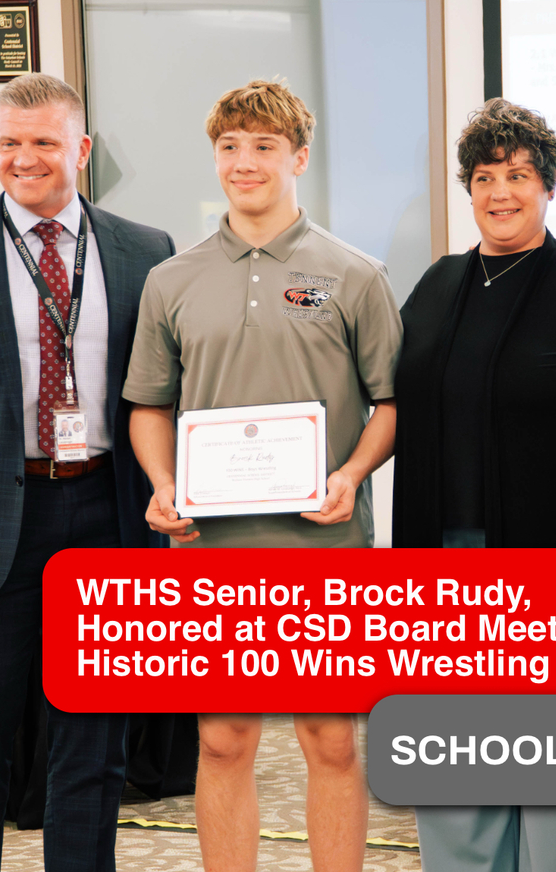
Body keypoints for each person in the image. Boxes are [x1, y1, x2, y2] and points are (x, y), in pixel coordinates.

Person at [122, 78, 402, 872]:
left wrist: (349, 473)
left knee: (330, 742)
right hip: (211, 547)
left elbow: (389, 403)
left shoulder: (355, 274)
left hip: (325, 543)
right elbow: (149, 405)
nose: (244, 163)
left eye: (263, 147)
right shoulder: (170, 280)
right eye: (230, 147)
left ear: (298, 158)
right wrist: (163, 484)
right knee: (221, 739)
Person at [393, 98, 556, 872]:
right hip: (444, 567)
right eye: (483, 176)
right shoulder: (435, 287)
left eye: (517, 175)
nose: (499, 192)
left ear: (549, 186)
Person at [0, 73, 174, 872]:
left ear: (82, 150)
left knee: (92, 748)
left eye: (44, 142)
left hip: (107, 512)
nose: (25, 160)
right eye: (9, 144)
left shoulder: (146, 251)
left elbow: (166, 390)